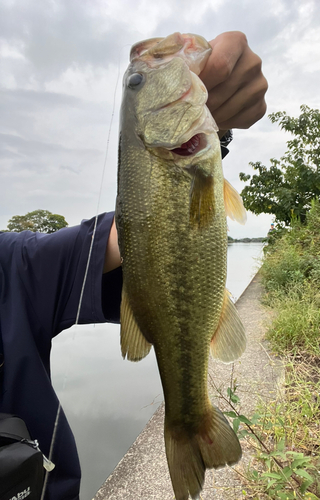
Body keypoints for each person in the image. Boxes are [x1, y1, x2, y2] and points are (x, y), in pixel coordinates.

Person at [0, 31, 268, 500]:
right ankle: (188, 422)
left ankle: (188, 419)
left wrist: (211, 131)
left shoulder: (13, 266)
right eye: (138, 85)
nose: (144, 70)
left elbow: (139, 237)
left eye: (138, 84)